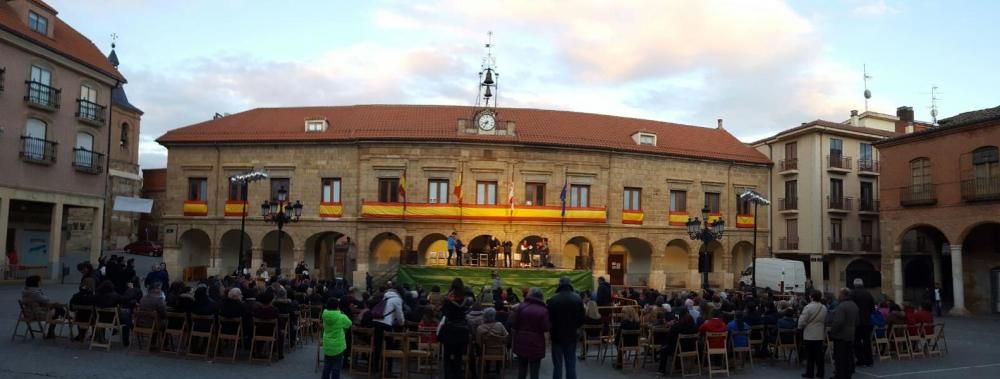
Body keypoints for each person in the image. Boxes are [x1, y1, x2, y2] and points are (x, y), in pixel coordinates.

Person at [547, 277, 585, 379]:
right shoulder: (577, 299)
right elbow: (582, 318)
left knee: (558, 364)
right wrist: (575, 327)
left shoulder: (553, 299)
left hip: (556, 335)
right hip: (571, 335)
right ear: (570, 285)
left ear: (559, 285)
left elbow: (548, 318)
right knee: (571, 362)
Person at [511, 288, 550, 379]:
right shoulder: (543, 310)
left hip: (521, 341)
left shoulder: (521, 307)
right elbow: (546, 328)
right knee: (535, 372)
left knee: (522, 370)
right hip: (537, 343)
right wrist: (547, 344)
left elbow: (514, 324)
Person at [439, 278, 472, 379]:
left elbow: (443, 313)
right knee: (458, 357)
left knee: (447, 357)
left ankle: (448, 376)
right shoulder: (466, 299)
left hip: (449, 330)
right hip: (461, 331)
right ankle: (458, 375)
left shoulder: (447, 299)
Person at [829, 288, 859, 379]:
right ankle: (847, 374)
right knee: (848, 356)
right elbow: (857, 321)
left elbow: (838, 321)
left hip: (841, 335)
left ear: (843, 295)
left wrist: (832, 331)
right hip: (851, 334)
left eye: (840, 294)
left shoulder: (841, 306)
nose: (838, 296)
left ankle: (840, 375)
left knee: (839, 357)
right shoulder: (854, 305)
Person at [798, 290, 828, 379]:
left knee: (810, 355)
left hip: (809, 334)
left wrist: (800, 327)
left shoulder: (808, 307)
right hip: (819, 334)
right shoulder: (824, 307)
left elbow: (802, 320)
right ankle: (820, 372)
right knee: (819, 355)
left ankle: (810, 373)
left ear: (812, 297)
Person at [321, 297, 353, 379]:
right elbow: (349, 323)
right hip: (338, 345)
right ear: (337, 306)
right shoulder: (341, 317)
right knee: (336, 367)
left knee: (327, 365)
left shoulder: (324, 315)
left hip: (327, 343)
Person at [851, 278, 875, 368]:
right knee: (867, 341)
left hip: (857, 321)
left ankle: (861, 360)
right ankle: (869, 360)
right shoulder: (868, 293)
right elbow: (872, 308)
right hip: (868, 321)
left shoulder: (853, 293)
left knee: (856, 341)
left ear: (854, 284)